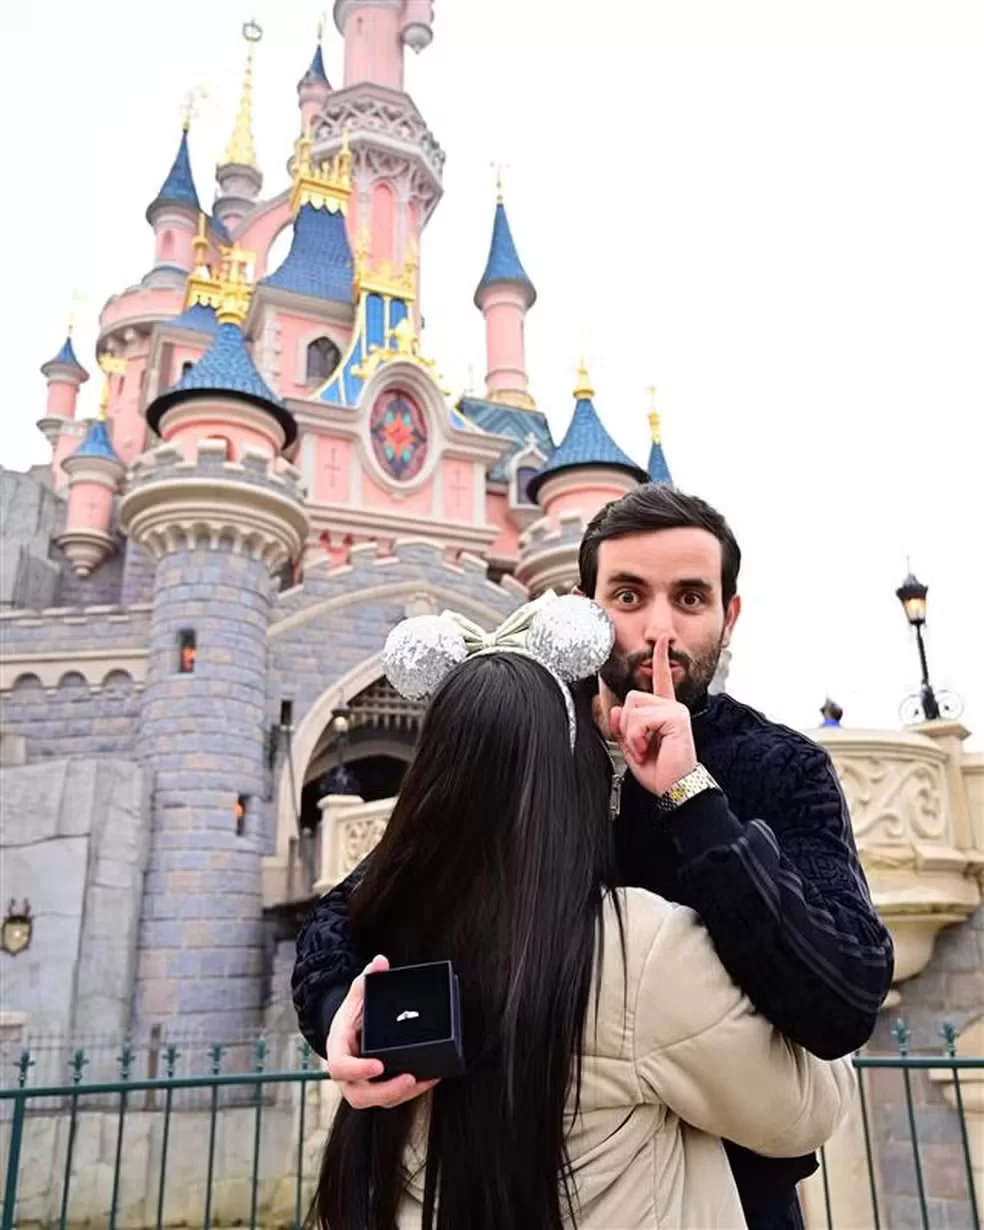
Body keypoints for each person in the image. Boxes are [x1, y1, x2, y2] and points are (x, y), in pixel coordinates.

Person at [292, 485, 895, 1230]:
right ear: (583, 606)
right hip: (530, 1181)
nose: (660, 630)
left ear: (729, 615)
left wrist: (693, 800)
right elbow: (366, 900)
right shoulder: (538, 746)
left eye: (692, 598)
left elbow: (846, 999)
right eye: (630, 597)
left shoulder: (778, 768)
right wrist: (336, 1012)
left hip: (731, 1191)